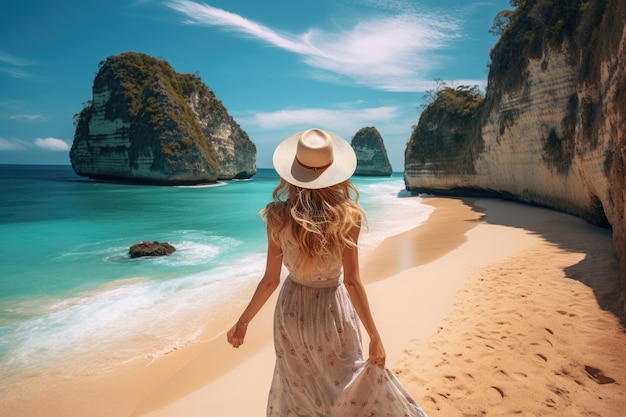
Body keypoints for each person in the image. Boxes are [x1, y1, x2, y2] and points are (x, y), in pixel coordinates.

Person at [227, 128, 427, 416]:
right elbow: (353, 282)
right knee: (345, 383)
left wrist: (243, 321)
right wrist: (375, 336)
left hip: (292, 310)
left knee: (298, 388)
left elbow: (271, 280)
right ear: (335, 172)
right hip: (333, 311)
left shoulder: (277, 216)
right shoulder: (348, 216)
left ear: (291, 172)